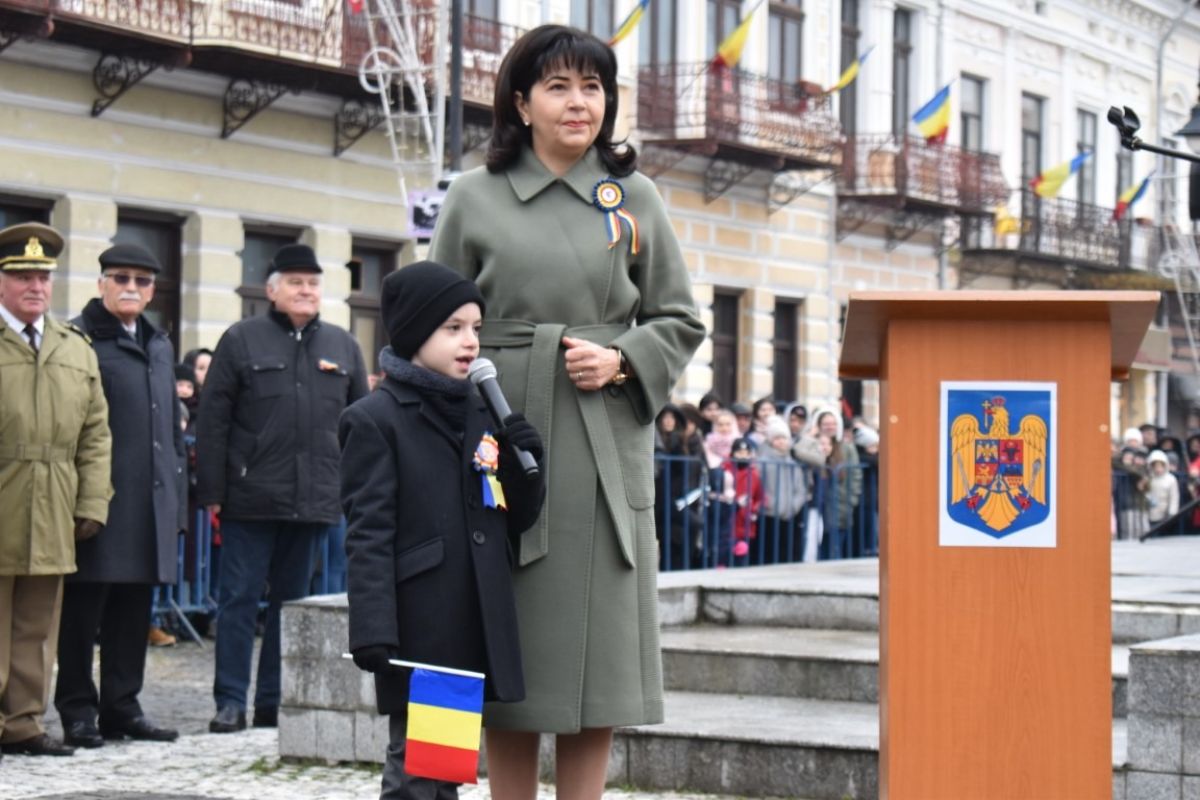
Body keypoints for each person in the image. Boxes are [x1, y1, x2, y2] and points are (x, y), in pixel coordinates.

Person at [427, 24, 705, 799]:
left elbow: (679, 317)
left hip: (603, 438)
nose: (579, 102)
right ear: (521, 102)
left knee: (598, 663)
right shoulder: (473, 194)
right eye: (558, 87)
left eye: (593, 86)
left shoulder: (633, 195)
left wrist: (624, 358)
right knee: (503, 650)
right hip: (497, 433)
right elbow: (431, 317)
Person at [342, 262, 545, 800]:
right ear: (415, 334)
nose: (470, 341)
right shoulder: (377, 419)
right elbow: (368, 533)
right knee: (415, 773)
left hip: (468, 619)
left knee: (443, 770)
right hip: (421, 625)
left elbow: (511, 518)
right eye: (453, 328)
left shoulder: (481, 412)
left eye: (475, 327)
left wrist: (527, 467)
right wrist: (372, 627)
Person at [197, 243, 368, 733]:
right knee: (238, 602)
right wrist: (212, 492)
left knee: (291, 607)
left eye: (313, 283)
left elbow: (361, 425)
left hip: (313, 499)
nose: (306, 290)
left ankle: (273, 703)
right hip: (249, 497)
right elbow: (213, 420)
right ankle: (231, 702)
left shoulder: (343, 345)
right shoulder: (241, 339)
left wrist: (353, 492)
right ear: (272, 291)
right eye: (295, 282)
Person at [55, 242, 186, 748]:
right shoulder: (79, 339)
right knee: (82, 614)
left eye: (142, 280)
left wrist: (175, 502)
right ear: (102, 283)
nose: (132, 287)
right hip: (100, 500)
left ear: (152, 291)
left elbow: (170, 430)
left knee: (133, 613)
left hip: (149, 502)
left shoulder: (158, 343)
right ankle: (77, 709)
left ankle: (122, 706)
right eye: (121, 278)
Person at [0, 222, 112, 759]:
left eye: (43, 277)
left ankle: (23, 722)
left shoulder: (74, 347)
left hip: (53, 502)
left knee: (37, 625)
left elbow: (96, 434)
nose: (35, 286)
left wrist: (91, 502)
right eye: (23, 276)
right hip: (4, 492)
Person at [757, 416, 806, 564]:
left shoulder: (793, 464)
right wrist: (768, 504)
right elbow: (759, 486)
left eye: (784, 438)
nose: (781, 442)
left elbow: (800, 489)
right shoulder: (762, 462)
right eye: (777, 438)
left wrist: (794, 506)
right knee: (769, 552)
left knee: (788, 552)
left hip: (789, 513)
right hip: (769, 514)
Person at [1145, 450, 1180, 527]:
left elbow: (1174, 497)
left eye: (1160, 466)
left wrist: (1172, 513)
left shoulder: (1171, 479)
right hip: (1151, 514)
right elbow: (1145, 493)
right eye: (1155, 466)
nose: (1158, 469)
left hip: (1166, 516)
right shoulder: (1149, 478)